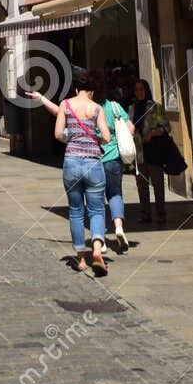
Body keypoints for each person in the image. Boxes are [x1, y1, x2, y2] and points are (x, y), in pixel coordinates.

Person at [43, 68, 111, 274]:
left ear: (76, 88)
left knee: (75, 210)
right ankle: (97, 251)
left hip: (72, 162)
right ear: (91, 91)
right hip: (93, 162)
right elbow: (107, 137)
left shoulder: (65, 104)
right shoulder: (97, 108)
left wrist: (71, 138)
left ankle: (81, 259)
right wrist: (94, 138)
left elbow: (57, 134)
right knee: (97, 209)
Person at [99, 84, 135, 254]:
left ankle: (101, 239)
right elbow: (131, 128)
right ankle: (119, 227)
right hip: (113, 158)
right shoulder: (114, 106)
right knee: (115, 193)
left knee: (96, 199)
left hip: (95, 159)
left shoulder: (89, 109)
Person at [129, 78, 170, 226]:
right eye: (136, 90)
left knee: (158, 184)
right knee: (142, 185)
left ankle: (161, 214)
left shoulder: (155, 107)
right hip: (139, 153)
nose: (139, 92)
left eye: (142, 89)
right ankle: (145, 213)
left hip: (154, 151)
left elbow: (166, 127)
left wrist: (152, 133)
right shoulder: (132, 109)